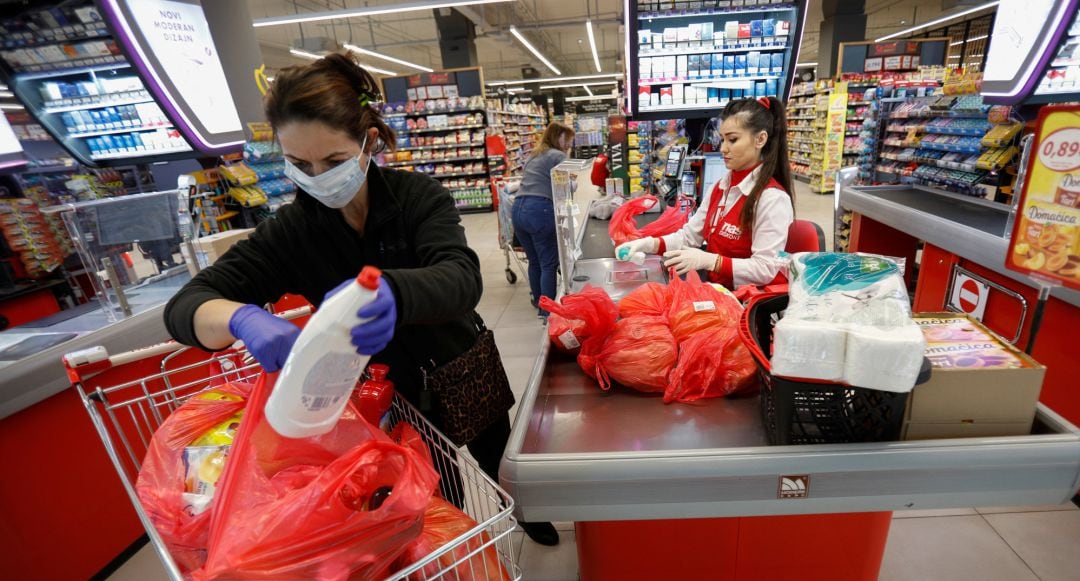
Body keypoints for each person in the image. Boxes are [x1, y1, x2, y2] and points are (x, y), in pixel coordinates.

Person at [163, 53, 558, 546]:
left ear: (368, 143)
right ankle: (457, 558)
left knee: (497, 452)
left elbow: (460, 277)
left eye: (333, 161)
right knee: (433, 494)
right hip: (385, 396)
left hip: (459, 363)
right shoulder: (291, 232)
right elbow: (185, 306)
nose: (316, 176)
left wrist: (394, 291)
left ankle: (526, 513)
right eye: (299, 164)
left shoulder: (416, 197)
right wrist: (241, 318)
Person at [617, 96, 795, 288]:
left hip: (747, 302)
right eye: (722, 139)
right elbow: (689, 237)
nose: (723, 148)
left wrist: (711, 261)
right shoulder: (720, 187)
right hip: (717, 290)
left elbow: (765, 269)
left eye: (733, 140)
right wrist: (647, 244)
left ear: (760, 139)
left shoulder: (772, 199)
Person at [510, 121, 575, 315]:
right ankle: (548, 312)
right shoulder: (557, 155)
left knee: (534, 261)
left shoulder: (535, 154)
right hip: (539, 210)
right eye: (569, 141)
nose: (570, 145)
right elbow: (567, 186)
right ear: (560, 138)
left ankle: (539, 302)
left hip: (519, 209)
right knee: (548, 262)